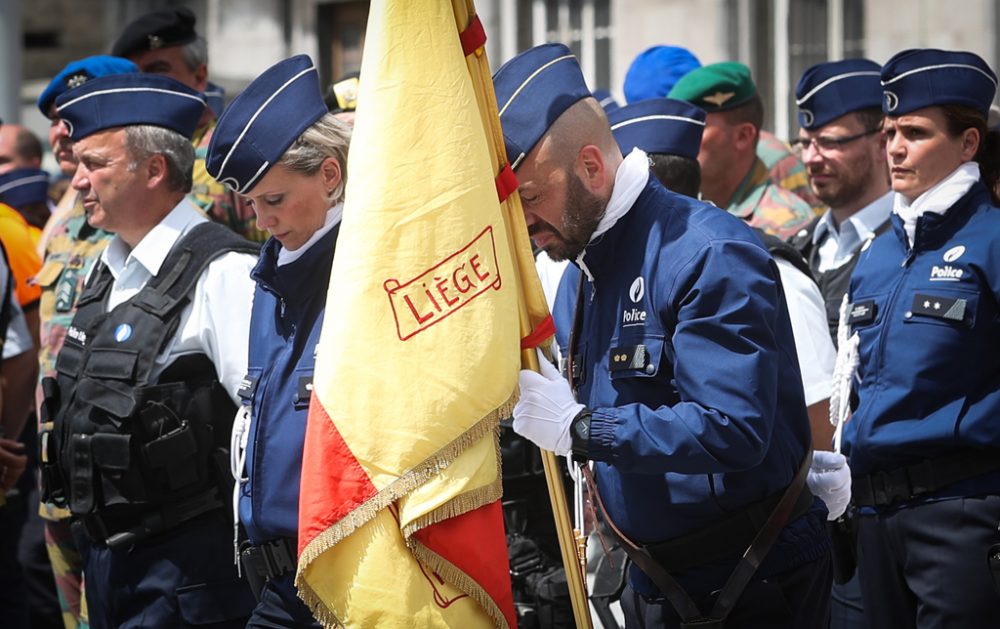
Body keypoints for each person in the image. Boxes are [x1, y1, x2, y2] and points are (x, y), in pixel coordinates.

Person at [495, 44, 831, 629]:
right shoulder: (583, 269)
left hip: (747, 580)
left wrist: (582, 429)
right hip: (655, 579)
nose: (522, 221)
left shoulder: (705, 252)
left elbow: (733, 426)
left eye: (529, 196)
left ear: (592, 167)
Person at [39, 72, 258, 629]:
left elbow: (266, 430)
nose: (79, 181)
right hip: (108, 564)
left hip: (190, 577)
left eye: (96, 164)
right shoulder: (105, 269)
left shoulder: (223, 274)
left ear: (155, 169)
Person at [842, 48, 1000, 629]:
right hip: (875, 518)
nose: (895, 148)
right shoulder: (879, 253)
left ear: (968, 144)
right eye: (888, 133)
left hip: (962, 514)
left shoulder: (992, 241)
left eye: (915, 132)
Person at [206, 54, 348, 628]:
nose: (262, 221)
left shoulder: (367, 273)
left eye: (275, 199)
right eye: (253, 205)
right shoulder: (271, 274)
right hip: (277, 582)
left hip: (349, 575)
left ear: (330, 175)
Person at [33, 54, 139, 629]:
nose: (60, 131)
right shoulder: (64, 221)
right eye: (54, 119)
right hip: (56, 470)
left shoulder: (146, 213)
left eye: (75, 115)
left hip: (122, 483)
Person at [112, 6, 264, 242]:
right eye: (136, 73)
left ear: (200, 76)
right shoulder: (118, 156)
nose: (145, 82)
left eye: (159, 69)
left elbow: (272, 253)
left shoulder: (234, 152)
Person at [790, 59, 892, 343]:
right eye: (805, 143)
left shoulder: (909, 245)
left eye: (830, 142)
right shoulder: (798, 247)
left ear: (882, 142)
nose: (811, 158)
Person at [668, 62, 814, 239]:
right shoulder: (682, 211)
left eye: (695, 128)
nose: (677, 139)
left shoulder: (786, 224)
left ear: (743, 136)